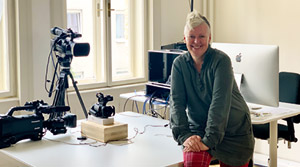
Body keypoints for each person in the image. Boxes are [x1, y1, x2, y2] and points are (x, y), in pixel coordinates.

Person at [170, 10, 254, 167]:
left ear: (209, 38)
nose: (196, 41)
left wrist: (209, 141)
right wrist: (185, 136)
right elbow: (176, 104)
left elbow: (219, 105)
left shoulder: (221, 61)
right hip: (198, 130)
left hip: (233, 131)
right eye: (192, 36)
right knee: (193, 163)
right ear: (184, 39)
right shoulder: (179, 65)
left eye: (201, 36)